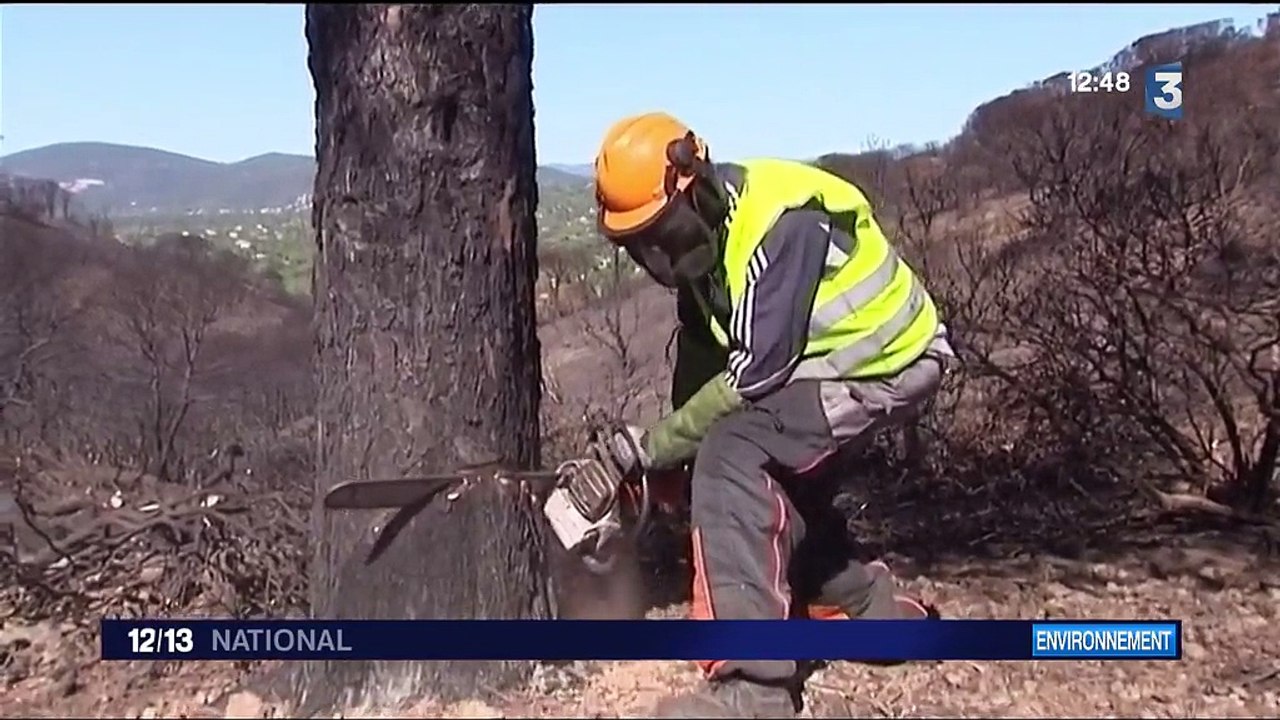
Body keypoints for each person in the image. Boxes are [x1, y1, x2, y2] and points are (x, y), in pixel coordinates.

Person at [595, 112, 955, 718]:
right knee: (771, 473)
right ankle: (873, 615)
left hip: (888, 361)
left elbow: (754, 377)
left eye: (665, 234)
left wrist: (656, 448)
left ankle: (755, 690)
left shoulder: (778, 227)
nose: (660, 257)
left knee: (735, 455)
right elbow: (704, 355)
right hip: (830, 364)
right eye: (644, 245)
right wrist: (672, 464)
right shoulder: (710, 246)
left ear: (696, 182)